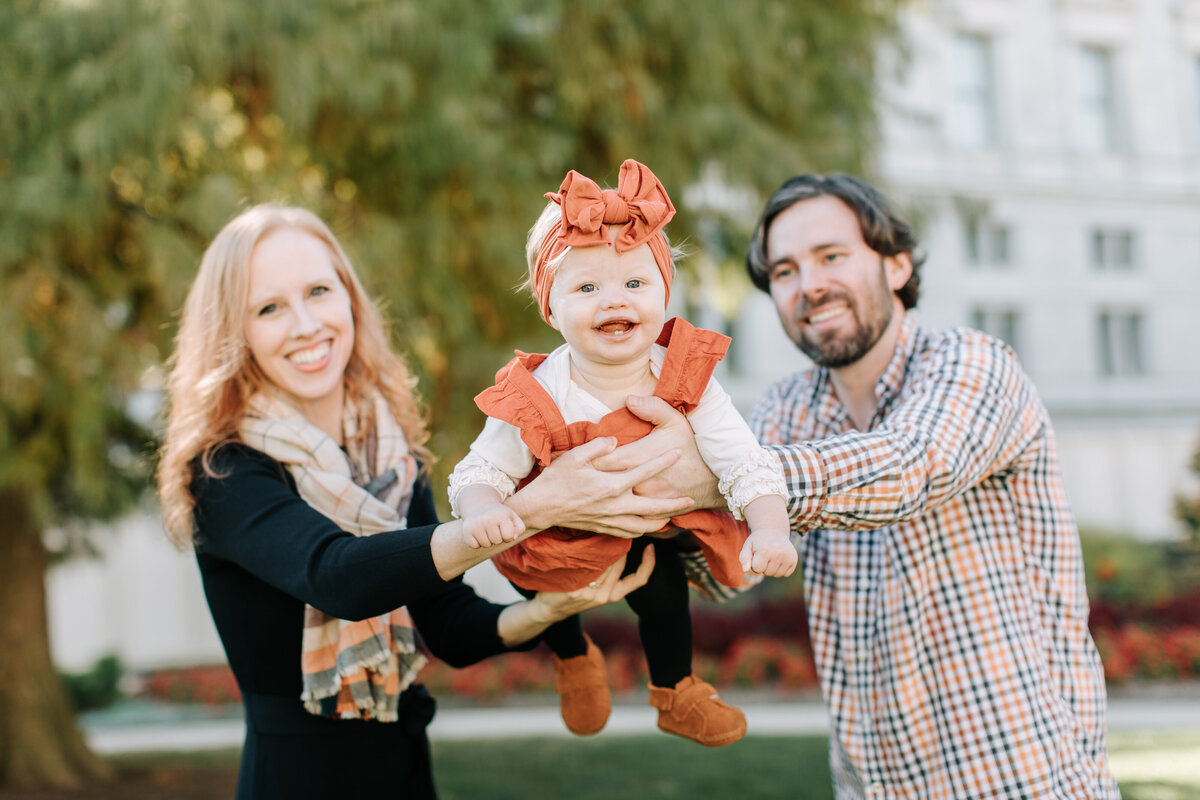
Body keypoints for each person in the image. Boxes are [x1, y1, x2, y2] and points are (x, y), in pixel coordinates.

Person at [613, 173, 1119, 797]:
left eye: (832, 256)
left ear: (897, 266)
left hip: (1026, 781)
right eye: (784, 271)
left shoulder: (976, 365)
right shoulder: (784, 412)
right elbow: (721, 570)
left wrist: (733, 479)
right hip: (869, 784)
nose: (809, 285)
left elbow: (909, 467)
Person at [155, 204, 681, 800]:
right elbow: (338, 576)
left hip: (404, 772)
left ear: (350, 299)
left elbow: (446, 621)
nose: (305, 324)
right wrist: (533, 509)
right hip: (296, 781)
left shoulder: (387, 451)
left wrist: (547, 611)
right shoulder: (224, 468)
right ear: (235, 330)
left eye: (319, 291)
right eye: (269, 308)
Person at [447, 160, 796, 747]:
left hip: (643, 535)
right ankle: (572, 655)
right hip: (556, 538)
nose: (615, 300)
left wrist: (771, 529)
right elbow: (481, 468)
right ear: (550, 309)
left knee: (661, 591)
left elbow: (744, 461)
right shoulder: (536, 392)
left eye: (635, 283)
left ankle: (676, 690)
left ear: (663, 292)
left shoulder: (686, 379)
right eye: (586, 288)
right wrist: (485, 510)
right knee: (544, 591)